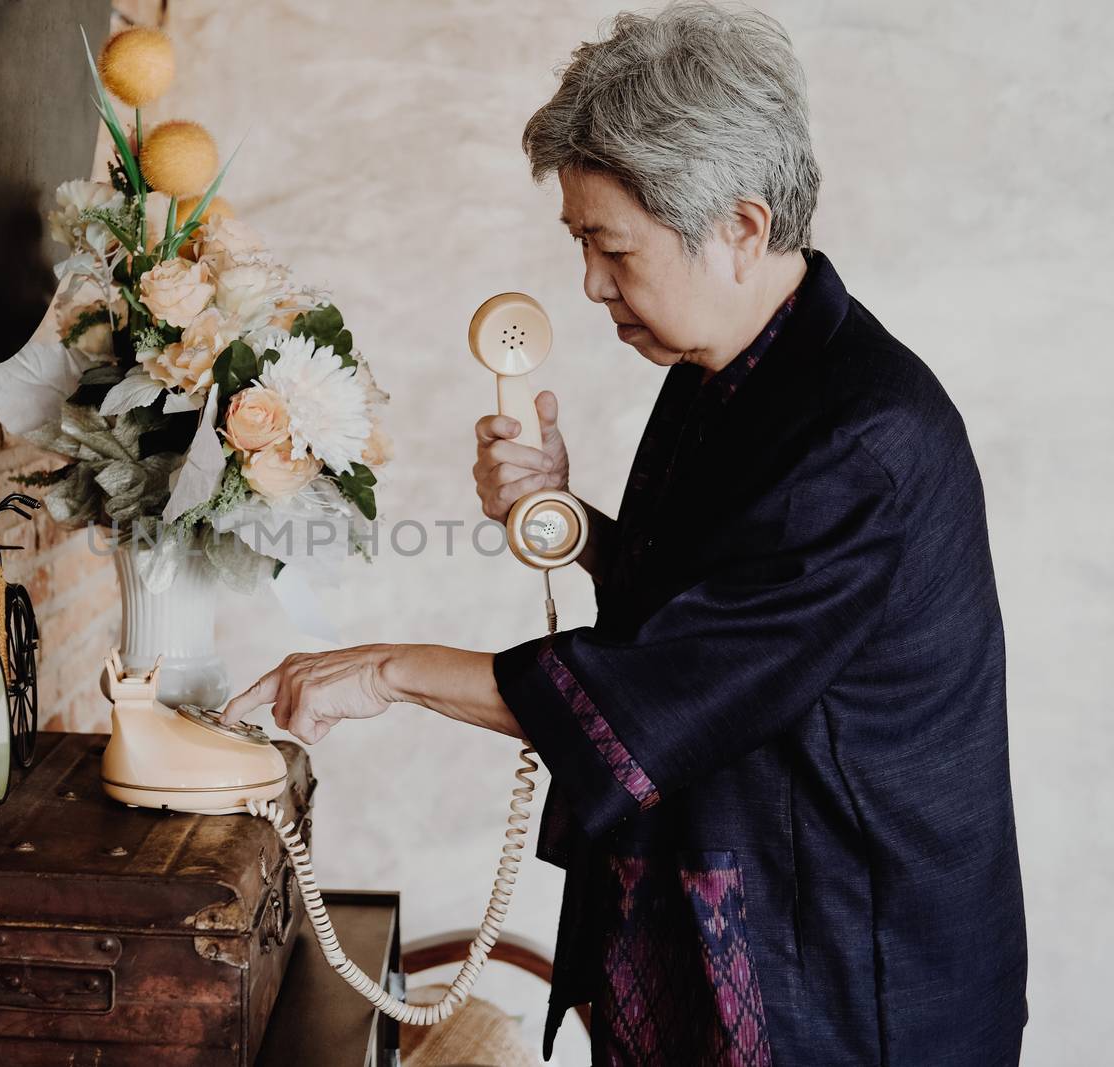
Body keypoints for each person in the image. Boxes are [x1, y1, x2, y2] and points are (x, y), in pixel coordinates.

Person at [221, 3, 1027, 1063]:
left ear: (740, 227)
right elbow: (721, 603)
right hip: (734, 913)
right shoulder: (724, 374)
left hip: (846, 973)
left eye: (610, 246)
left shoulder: (861, 436)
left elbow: (666, 689)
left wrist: (383, 669)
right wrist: (572, 523)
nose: (591, 283)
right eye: (580, 244)